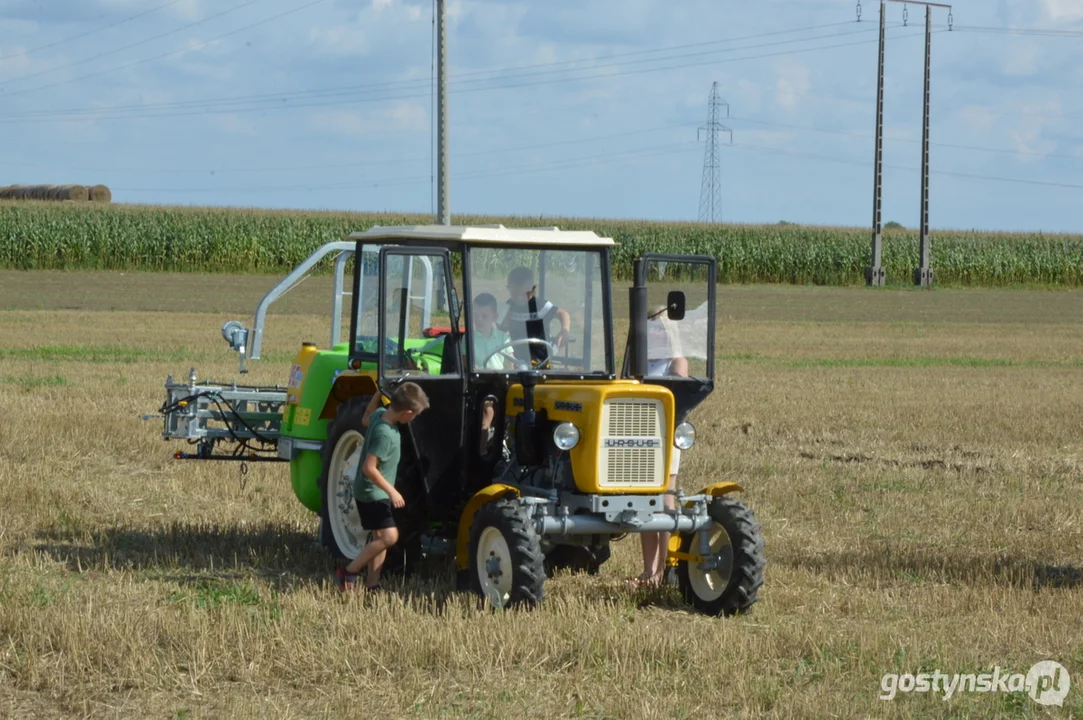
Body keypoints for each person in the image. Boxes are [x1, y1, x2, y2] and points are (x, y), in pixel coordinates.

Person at [335, 382, 430, 592]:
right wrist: (392, 491)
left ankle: (372, 584)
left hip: (372, 491)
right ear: (407, 413)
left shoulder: (379, 415)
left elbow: (365, 417)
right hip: (372, 493)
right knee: (390, 537)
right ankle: (348, 572)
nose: (413, 419)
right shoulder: (385, 434)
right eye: (414, 415)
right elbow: (370, 468)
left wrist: (378, 392)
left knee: (380, 539)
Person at [629, 309, 689, 589]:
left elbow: (680, 398)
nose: (653, 333)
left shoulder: (676, 361)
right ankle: (647, 571)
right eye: (649, 328)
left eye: (658, 329)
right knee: (644, 501)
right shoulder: (640, 361)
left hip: (665, 436)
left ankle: (666, 570)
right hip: (638, 434)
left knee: (665, 500)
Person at [498, 266, 571, 365]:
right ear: (509, 288)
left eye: (524, 293)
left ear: (532, 288)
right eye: (515, 294)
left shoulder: (540, 306)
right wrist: (503, 325)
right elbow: (499, 331)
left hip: (540, 359)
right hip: (515, 360)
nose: (519, 298)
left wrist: (564, 331)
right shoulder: (508, 306)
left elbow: (563, 314)